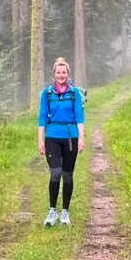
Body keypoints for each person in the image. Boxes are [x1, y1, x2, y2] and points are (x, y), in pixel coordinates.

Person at [37, 57, 85, 227]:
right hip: (52, 137)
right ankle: (52, 211)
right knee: (55, 172)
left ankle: (65, 211)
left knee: (67, 174)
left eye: (64, 72)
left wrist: (82, 138)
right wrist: (40, 140)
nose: (61, 75)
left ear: (68, 74)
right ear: (54, 74)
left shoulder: (74, 93)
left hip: (71, 137)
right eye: (58, 72)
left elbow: (79, 116)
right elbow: (42, 117)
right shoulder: (46, 93)